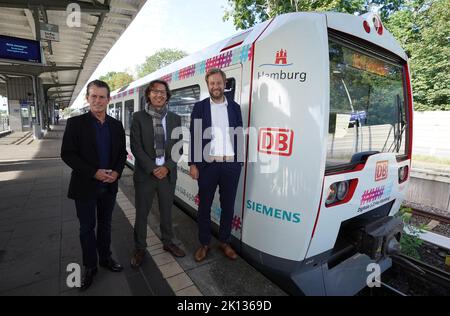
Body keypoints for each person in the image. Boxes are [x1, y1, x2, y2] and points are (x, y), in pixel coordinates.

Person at [61, 80, 128, 290]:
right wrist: (94, 173)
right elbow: (67, 154)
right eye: (94, 96)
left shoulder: (116, 125)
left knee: (106, 224)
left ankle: (105, 258)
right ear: (87, 98)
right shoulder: (75, 123)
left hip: (109, 186)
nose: (98, 101)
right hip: (85, 186)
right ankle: (90, 266)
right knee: (86, 228)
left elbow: (122, 154)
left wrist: (116, 172)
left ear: (108, 99)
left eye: (102, 97)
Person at [189, 68, 244, 262]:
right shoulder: (200, 107)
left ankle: (225, 242)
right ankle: (204, 244)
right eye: (212, 83)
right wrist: (193, 164)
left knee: (228, 206)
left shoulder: (235, 107)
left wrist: (240, 161)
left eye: (219, 83)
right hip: (208, 166)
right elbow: (195, 136)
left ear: (224, 83)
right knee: (204, 206)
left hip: (230, 165)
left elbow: (239, 134)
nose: (215, 86)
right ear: (208, 85)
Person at [130, 79, 185, 269]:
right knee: (142, 213)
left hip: (167, 175)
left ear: (167, 96)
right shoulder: (138, 117)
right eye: (154, 91)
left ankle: (168, 242)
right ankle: (139, 248)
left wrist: (167, 167)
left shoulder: (175, 119)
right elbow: (135, 147)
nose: (159, 95)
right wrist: (153, 168)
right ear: (148, 95)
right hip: (146, 175)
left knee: (167, 212)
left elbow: (178, 148)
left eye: (162, 92)